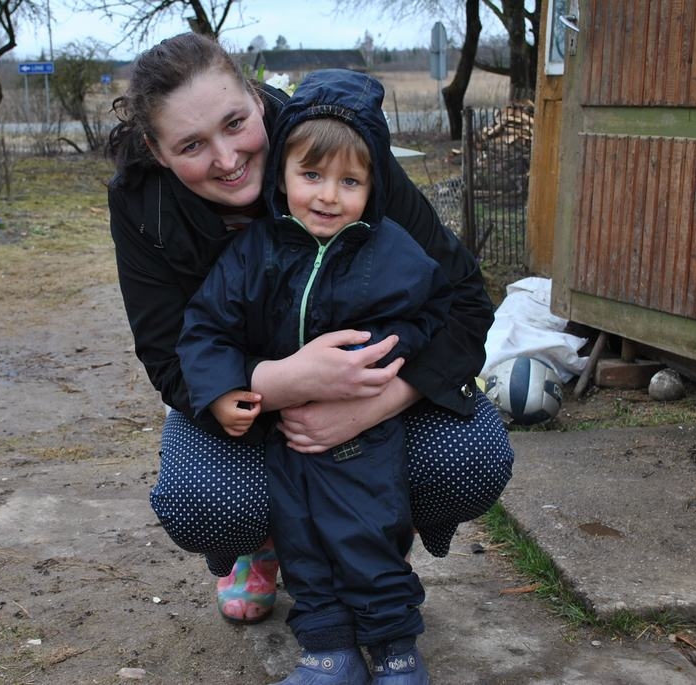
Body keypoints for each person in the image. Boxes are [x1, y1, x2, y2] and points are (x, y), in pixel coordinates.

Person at [107, 27, 513, 669]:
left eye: (235, 123)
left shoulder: (343, 149)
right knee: (203, 501)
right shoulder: (142, 205)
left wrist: (381, 401)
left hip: (371, 391)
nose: (226, 158)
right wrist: (282, 382)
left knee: (473, 457)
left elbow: (462, 302)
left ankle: (371, 537)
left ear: (258, 101)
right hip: (240, 397)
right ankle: (263, 544)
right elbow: (168, 357)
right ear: (158, 152)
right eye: (191, 145)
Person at [177, 68, 450, 684]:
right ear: (283, 175)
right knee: (300, 539)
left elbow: (438, 311)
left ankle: (397, 652)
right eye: (311, 175)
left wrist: (387, 354)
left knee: (369, 535)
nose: (328, 195)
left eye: (349, 181)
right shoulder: (255, 253)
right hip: (286, 437)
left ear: (373, 186)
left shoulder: (393, 251)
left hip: (368, 434)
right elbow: (205, 325)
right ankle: (328, 653)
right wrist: (224, 389)